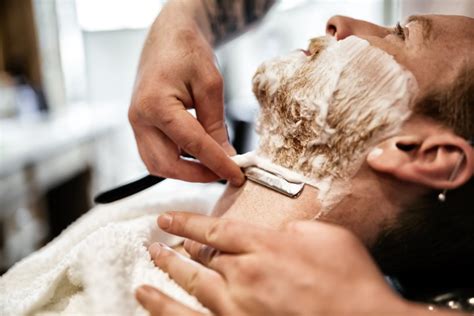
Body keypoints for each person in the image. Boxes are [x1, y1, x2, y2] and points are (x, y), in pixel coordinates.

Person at [130, 0, 474, 315]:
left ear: (424, 155)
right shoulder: (139, 234)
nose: (337, 21)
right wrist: (182, 19)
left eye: (399, 35)